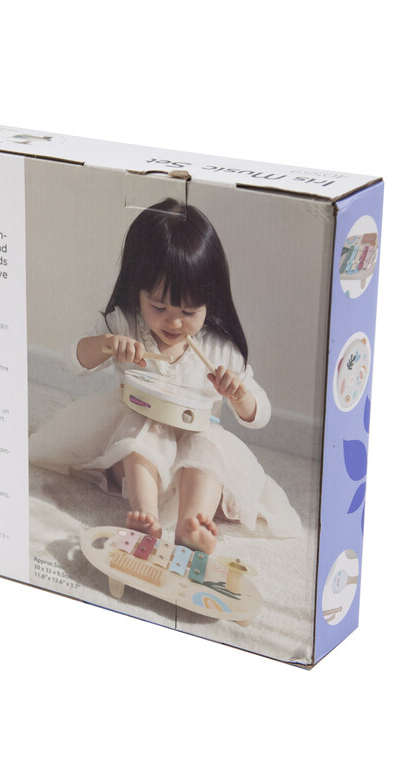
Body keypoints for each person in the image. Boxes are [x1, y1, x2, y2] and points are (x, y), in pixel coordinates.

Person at [29, 198, 301, 554]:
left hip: (191, 471)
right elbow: (74, 360)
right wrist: (106, 345)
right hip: (137, 468)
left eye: (189, 311)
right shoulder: (126, 324)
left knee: (208, 446)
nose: (174, 322)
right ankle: (145, 516)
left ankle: (192, 523)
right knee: (141, 429)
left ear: (210, 300)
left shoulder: (219, 349)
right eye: (159, 307)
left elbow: (259, 413)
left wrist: (239, 395)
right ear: (137, 291)